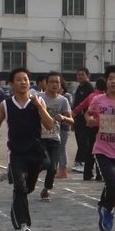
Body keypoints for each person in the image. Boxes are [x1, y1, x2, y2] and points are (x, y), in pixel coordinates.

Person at [0, 67, 55, 231]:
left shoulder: (38, 102)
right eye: (19, 79)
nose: (23, 82)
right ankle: (24, 225)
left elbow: (50, 125)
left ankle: (15, 191)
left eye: (26, 79)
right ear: (12, 83)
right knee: (20, 187)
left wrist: (39, 107)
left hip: (35, 152)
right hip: (16, 153)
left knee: (27, 188)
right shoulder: (5, 105)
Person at [78, 66, 115, 231]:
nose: (113, 81)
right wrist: (89, 119)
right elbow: (88, 114)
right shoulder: (98, 100)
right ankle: (108, 210)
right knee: (113, 182)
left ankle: (103, 204)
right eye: (110, 78)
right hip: (102, 149)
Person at [39, 71, 72, 200]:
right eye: (51, 82)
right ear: (45, 84)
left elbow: (71, 120)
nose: (54, 84)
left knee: (53, 167)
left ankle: (46, 189)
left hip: (54, 138)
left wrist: (63, 117)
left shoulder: (63, 100)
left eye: (57, 82)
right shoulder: (39, 98)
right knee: (45, 163)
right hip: (39, 137)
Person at [71, 67, 97, 180]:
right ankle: (80, 161)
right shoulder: (79, 88)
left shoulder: (89, 89)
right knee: (80, 141)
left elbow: (86, 105)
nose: (80, 76)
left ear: (88, 76)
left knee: (85, 142)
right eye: (78, 74)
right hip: (78, 120)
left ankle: (83, 163)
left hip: (86, 120)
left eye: (82, 74)